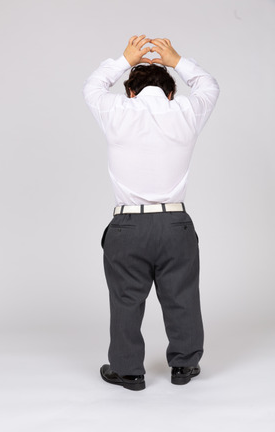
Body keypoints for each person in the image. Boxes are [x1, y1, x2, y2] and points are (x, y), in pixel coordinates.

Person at [82, 35, 220, 391]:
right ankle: (185, 367)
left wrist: (124, 60)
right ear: (171, 93)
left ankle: (128, 371)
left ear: (130, 92)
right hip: (176, 222)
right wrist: (176, 60)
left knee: (127, 299)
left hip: (127, 225)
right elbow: (209, 85)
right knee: (182, 295)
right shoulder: (185, 112)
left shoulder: (116, 110)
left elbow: (93, 85)